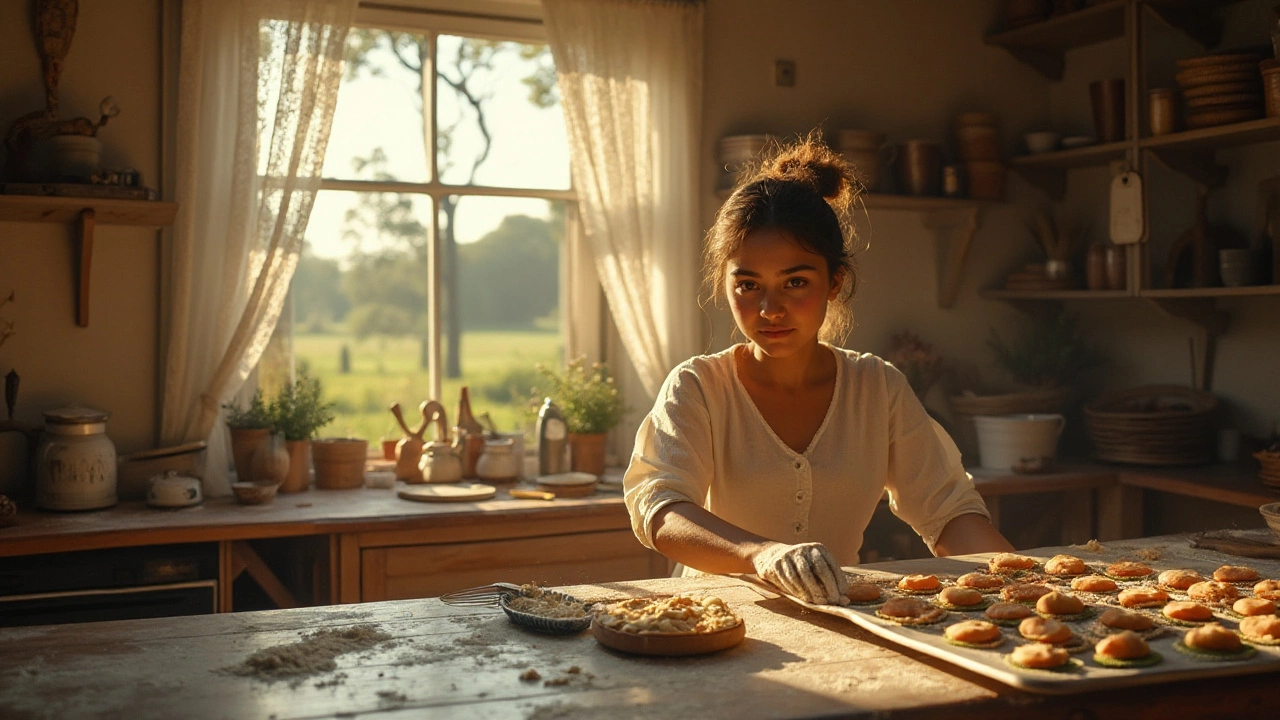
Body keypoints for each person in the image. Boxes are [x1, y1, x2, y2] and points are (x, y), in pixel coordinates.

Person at [622, 134, 1014, 606]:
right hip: (712, 626)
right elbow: (661, 510)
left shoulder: (877, 388)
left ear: (834, 282)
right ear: (725, 285)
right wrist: (761, 555)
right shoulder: (699, 387)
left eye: (795, 282)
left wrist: (1022, 581)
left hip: (841, 622)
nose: (770, 309)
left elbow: (948, 513)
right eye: (748, 284)